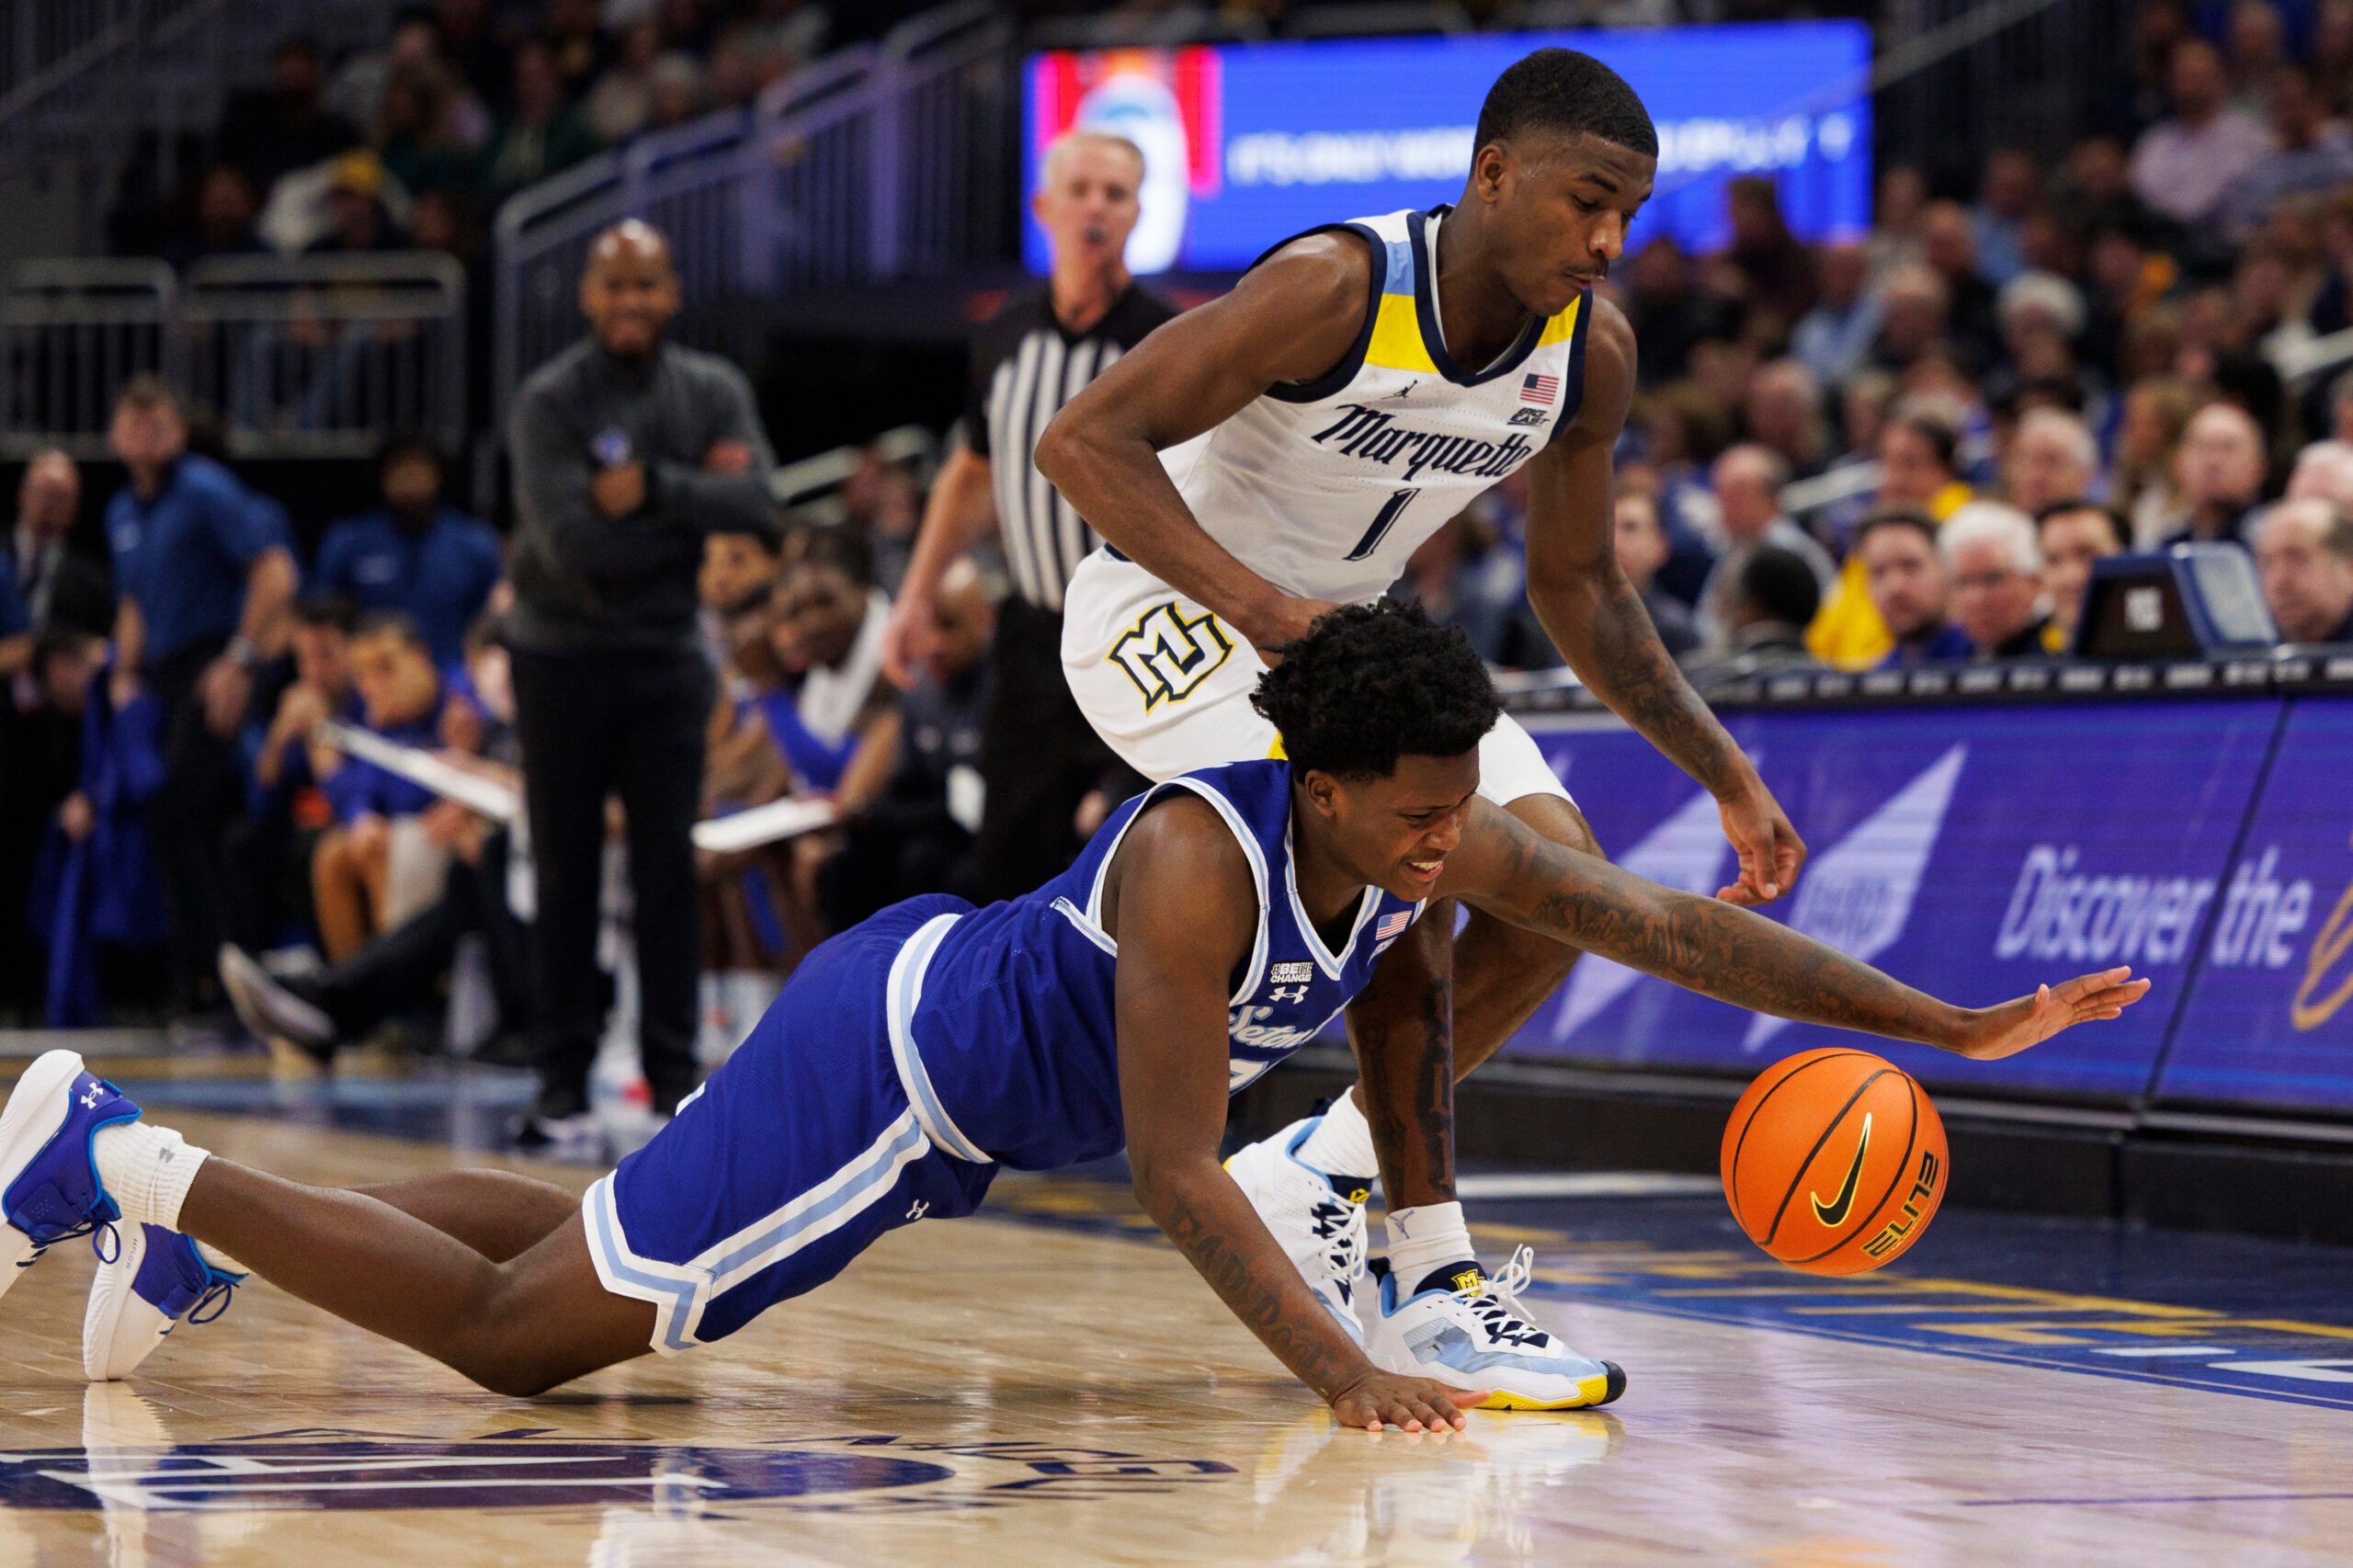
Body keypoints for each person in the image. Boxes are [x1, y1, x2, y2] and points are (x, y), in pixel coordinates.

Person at [3, 603, 2152, 1417]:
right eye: (1410, 822)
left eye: (1446, 821)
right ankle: (111, 1154)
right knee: (524, 1352)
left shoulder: (1406, 822)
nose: (1441, 855)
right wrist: (1340, 1367)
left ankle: (201, 1212)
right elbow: (1165, 1165)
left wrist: (1939, 1020)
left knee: (587, 1231)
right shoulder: (1208, 859)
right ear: (1322, 781)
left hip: (919, 1047)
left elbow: (1669, 928)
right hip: (902, 1074)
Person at [1037, 50, 1806, 1353]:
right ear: (1494, 175)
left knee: (1560, 881)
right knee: (1424, 858)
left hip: (1349, 629)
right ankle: (1431, 1275)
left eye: (1630, 212)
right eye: (1587, 201)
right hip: (1172, 611)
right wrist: (1269, 613)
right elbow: (1083, 442)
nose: (1611, 239)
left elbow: (1581, 585)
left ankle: (1316, 1166)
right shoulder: (1334, 286)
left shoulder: (1589, 350)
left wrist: (1722, 769)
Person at [506, 220, 778, 1151]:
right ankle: (559, 1084)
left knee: (670, 865)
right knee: (565, 868)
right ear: (589, 294)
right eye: (615, 285)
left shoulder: (710, 388)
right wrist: (693, 505)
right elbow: (574, 547)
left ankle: (672, 1081)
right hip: (559, 657)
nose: (631, 303)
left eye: (648, 285)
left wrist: (653, 486)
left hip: (666, 656)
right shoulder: (551, 401)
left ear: (671, 294)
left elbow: (760, 505)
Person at [881, 129, 1177, 902]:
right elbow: (970, 472)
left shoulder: (1168, 339)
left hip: (1140, 633)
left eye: (1115, 194)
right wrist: (915, 597)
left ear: (1138, 212)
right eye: (1080, 189)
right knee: (1010, 857)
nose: (1096, 207)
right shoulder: (1004, 336)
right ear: (1044, 206)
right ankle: (1020, 1021)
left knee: (1134, 857)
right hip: (1033, 629)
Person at [103, 378, 299, 1028]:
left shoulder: (207, 489)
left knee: (177, 812)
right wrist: (122, 673)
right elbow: (133, 601)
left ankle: (215, 982)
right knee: (169, 823)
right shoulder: (122, 512)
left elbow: (274, 571)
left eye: (157, 424)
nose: (145, 437)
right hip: (157, 675)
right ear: (115, 437)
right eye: (133, 425)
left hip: (211, 660)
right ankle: (199, 981)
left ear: (178, 432)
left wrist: (240, 661)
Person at [818, 559, 995, 928]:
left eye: (948, 626)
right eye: (926, 626)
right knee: (840, 868)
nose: (933, 644)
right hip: (936, 828)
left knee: (932, 867)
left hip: (992, 838)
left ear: (984, 619)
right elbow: (908, 788)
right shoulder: (917, 690)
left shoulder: (1011, 690)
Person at [309, 613, 451, 963]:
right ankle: (350, 988)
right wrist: (361, 817)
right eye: (363, 674)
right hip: (407, 833)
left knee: (379, 849)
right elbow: (364, 792)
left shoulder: (459, 704)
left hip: (450, 834)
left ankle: (396, 999)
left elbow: (429, 794)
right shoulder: (382, 721)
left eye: (386, 667)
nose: (373, 684)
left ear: (420, 657)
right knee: (336, 853)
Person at [314, 436, 502, 669]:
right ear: (382, 478)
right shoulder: (350, 542)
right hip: (370, 679)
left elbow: (492, 621)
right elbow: (325, 619)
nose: (410, 480)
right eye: (400, 470)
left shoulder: (474, 544)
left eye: (419, 469)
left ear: (439, 475)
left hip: (455, 679)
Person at [1807, 412, 1971, 669]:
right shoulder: (1876, 539)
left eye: (1910, 464)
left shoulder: (1964, 533)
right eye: (1887, 463)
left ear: (1945, 470)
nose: (1895, 479)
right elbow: (1824, 639)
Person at [2130, 38, 2276, 228]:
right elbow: (2144, 195)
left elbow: (2260, 194)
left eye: (2201, 77)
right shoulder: (2155, 142)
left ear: (2221, 80)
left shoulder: (2250, 135)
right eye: (2185, 77)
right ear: (2171, 83)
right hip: (2168, 240)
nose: (2193, 86)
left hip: (2233, 240)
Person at [1696, 444, 1834, 642]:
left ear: (1769, 495)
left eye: (1735, 493)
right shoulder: (1735, 550)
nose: (1723, 504)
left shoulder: (1794, 553)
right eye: (1719, 492)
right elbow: (1707, 621)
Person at [1682, 546, 1826, 691]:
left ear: (1752, 608)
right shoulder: (1833, 683)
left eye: (1729, 600)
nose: (1717, 611)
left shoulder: (1699, 683)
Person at [7, 452, 108, 640]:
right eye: (45, 492)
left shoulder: (90, 581)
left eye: (61, 497)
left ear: (75, 508)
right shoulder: (3, 556)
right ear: (22, 493)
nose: (50, 505)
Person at [1857, 510, 1972, 669]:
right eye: (1878, 572)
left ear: (1947, 568)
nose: (1895, 587)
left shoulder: (1986, 658)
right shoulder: (1880, 678)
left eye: (1910, 565)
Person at [1940, 503, 2055, 658]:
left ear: (2034, 583)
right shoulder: (1948, 658)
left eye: (1993, 579)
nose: (1977, 598)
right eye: (1963, 583)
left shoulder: (2061, 652)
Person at [2162, 402, 2268, 548]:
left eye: (2228, 448)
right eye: (2201, 447)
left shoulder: (2272, 546)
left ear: (2258, 466)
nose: (2213, 462)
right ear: (2178, 464)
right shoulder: (2168, 547)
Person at [1607, 490, 1698, 658]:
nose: (1614, 541)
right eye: (1605, 528)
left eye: (1630, 527)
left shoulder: (1674, 629)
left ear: (1661, 547)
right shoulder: (1565, 622)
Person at [2252, 498, 2353, 643]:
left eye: (2297, 558)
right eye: (2267, 563)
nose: (2279, 582)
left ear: (2349, 568)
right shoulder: (2249, 656)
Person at [2035, 500, 2128, 650]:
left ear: (2127, 556)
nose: (2070, 576)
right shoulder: (2020, 657)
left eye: (2086, 554)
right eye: (2053, 560)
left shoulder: (2168, 644)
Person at [2003, 408, 2100, 518]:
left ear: (2085, 472)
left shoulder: (2100, 531)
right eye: (2025, 461)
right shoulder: (1988, 526)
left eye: (2052, 462)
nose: (2035, 475)